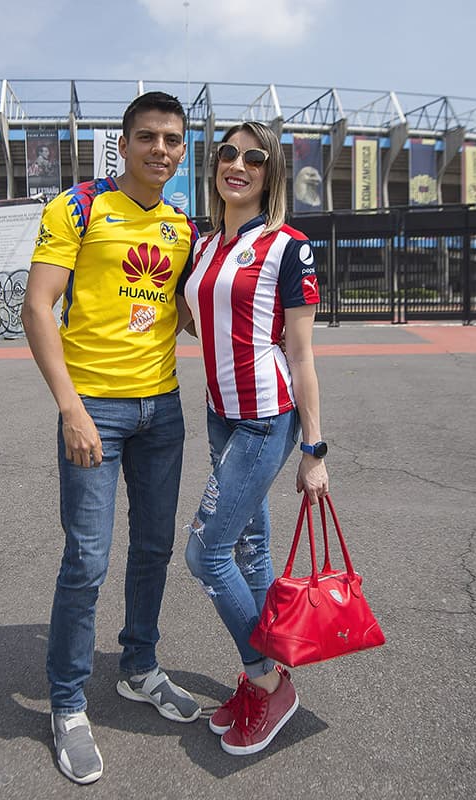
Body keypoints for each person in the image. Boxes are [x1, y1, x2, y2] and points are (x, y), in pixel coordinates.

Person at [21, 91, 201, 785]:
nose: (162, 149)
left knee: (154, 549)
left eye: (173, 140)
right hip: (94, 408)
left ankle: (140, 666)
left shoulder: (182, 226)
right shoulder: (79, 207)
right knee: (88, 561)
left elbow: (187, 316)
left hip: (163, 410)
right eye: (149, 137)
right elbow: (38, 308)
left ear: (183, 152)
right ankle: (67, 705)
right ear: (122, 145)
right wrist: (70, 407)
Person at [179, 121, 330, 756]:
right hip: (220, 412)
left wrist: (314, 450)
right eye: (228, 154)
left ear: (270, 175)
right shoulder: (206, 244)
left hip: (268, 416)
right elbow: (194, 319)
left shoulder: (289, 247)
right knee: (249, 551)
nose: (237, 165)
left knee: (204, 552)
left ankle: (269, 682)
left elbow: (301, 354)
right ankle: (267, 673)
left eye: (254, 158)